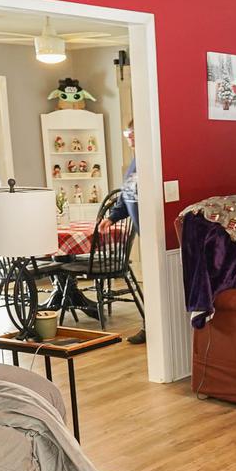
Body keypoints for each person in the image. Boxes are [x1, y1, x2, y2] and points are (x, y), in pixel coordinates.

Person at [96, 123, 146, 345]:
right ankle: (149, 326)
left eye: (133, 133)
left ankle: (150, 327)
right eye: (127, 133)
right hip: (144, 232)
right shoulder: (135, 161)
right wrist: (112, 217)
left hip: (156, 233)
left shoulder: (149, 158)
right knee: (150, 285)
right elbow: (127, 194)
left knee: (154, 286)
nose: (130, 137)